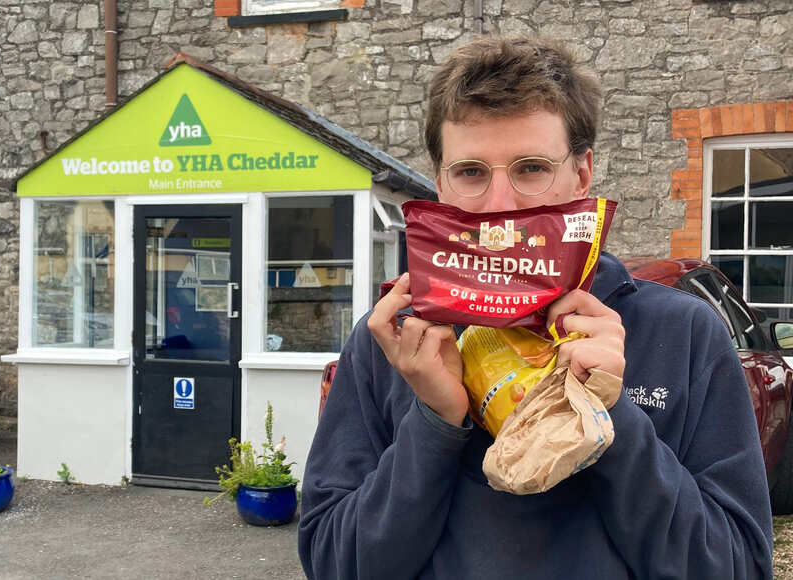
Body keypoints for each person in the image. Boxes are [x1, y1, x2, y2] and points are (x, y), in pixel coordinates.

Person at [297, 36, 773, 579]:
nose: (500, 205)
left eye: (530, 169)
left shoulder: (684, 332)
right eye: (471, 172)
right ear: (439, 182)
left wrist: (609, 415)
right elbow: (334, 564)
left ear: (583, 172)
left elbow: (735, 567)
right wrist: (433, 423)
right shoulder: (392, 340)